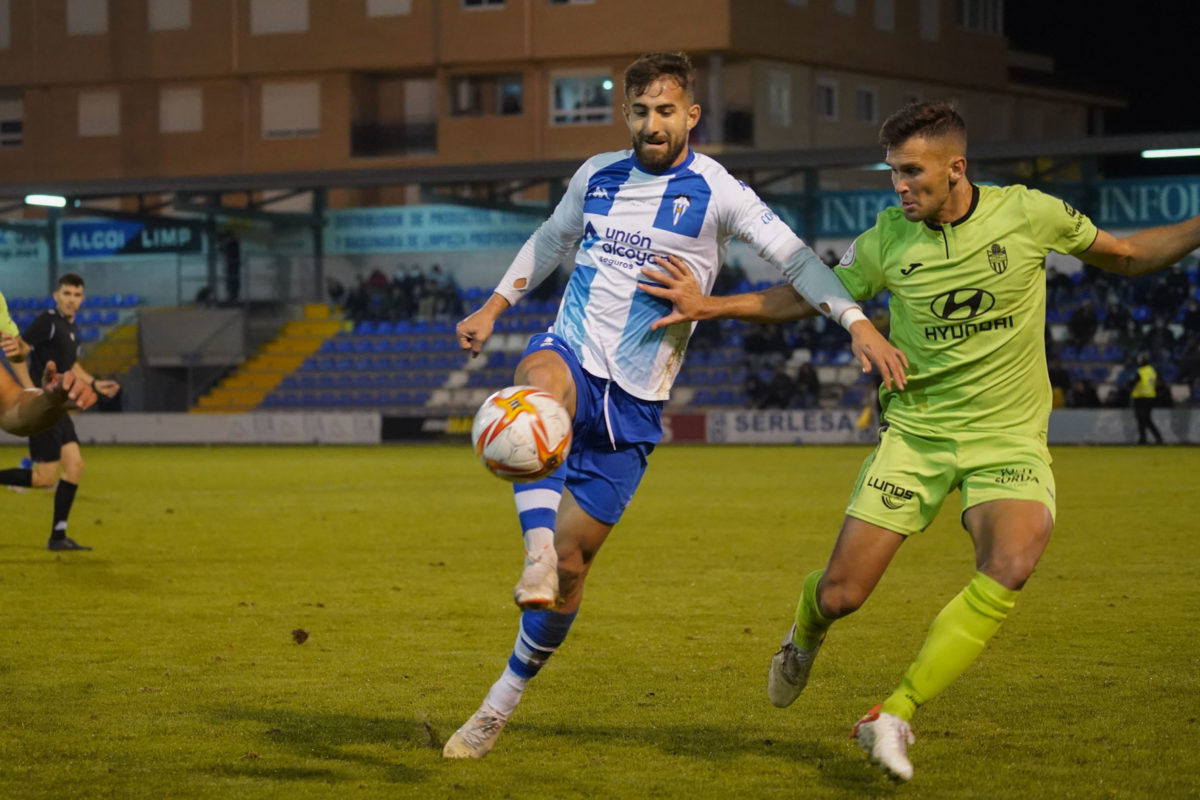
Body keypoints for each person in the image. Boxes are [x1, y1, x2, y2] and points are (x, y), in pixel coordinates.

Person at [638, 102, 1200, 781]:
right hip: (918, 436)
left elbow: (1130, 255)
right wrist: (712, 305)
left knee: (1013, 561)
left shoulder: (1027, 213)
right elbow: (808, 295)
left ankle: (894, 712)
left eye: (912, 172)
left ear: (955, 168)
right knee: (843, 595)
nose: (900, 187)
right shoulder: (884, 241)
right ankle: (804, 636)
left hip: (1007, 440)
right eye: (893, 173)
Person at [444, 51, 908, 760]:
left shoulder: (720, 192)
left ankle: (499, 702)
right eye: (638, 110)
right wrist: (494, 303)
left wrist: (856, 322)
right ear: (624, 113)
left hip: (636, 401)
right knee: (534, 390)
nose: (650, 124)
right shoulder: (597, 175)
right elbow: (550, 240)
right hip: (573, 350)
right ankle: (535, 549)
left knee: (574, 573)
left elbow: (803, 263)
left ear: (690, 115)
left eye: (665, 110)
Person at [0, 274, 119, 551]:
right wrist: (33, 392)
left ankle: (58, 536)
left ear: (82, 299)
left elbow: (72, 366)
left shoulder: (71, 329)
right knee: (45, 478)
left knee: (75, 466)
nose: (71, 300)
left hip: (56, 404)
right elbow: (22, 348)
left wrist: (94, 383)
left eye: (77, 295)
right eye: (67, 294)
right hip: (44, 404)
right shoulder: (48, 322)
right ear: (57, 295)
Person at [1130, 354, 1164, 444]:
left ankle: (1144, 438)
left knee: (1141, 419)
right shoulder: (1152, 371)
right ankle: (1156, 437)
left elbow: (1133, 382)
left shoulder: (1140, 371)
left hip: (1140, 397)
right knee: (1147, 418)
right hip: (1150, 397)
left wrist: (1129, 386)